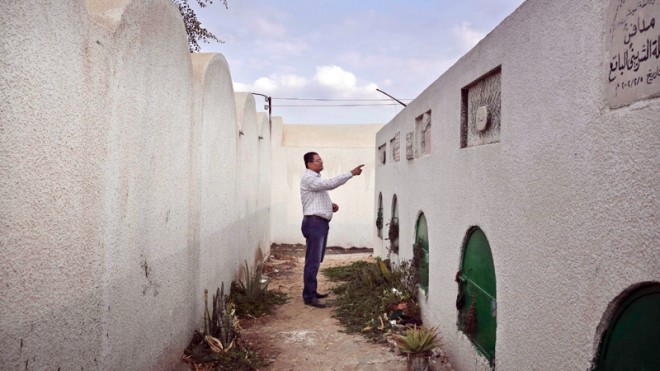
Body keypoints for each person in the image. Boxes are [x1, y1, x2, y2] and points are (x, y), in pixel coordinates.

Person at [300, 152, 364, 308]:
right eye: (318, 160)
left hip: (319, 223)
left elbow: (316, 198)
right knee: (312, 262)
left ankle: (311, 291)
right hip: (314, 224)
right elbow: (330, 184)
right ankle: (309, 296)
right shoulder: (309, 178)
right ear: (309, 164)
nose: (322, 162)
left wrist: (330, 206)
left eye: (321, 159)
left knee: (316, 260)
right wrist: (351, 173)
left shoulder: (315, 179)